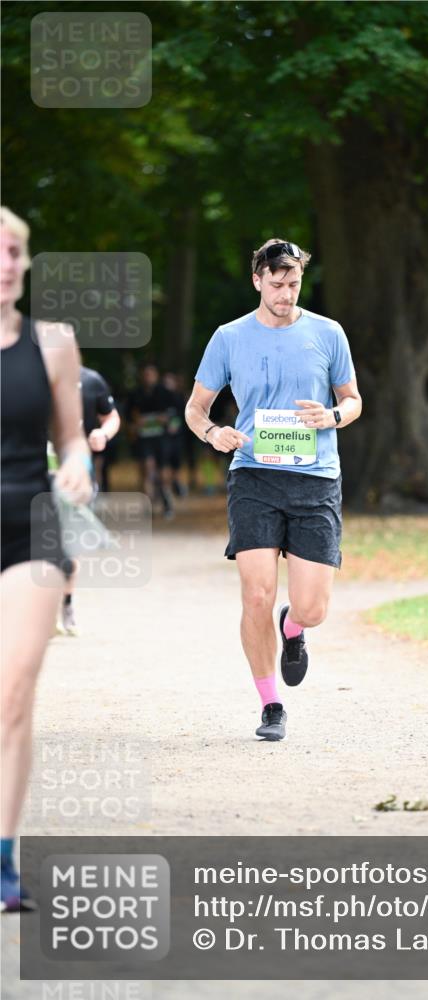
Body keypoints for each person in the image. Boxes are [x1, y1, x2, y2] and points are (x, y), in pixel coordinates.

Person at [185, 238, 362, 741]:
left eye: (294, 284)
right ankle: (271, 705)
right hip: (254, 476)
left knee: (313, 608)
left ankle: (294, 627)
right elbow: (195, 408)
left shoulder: (328, 334)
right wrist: (213, 432)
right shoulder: (229, 337)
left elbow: (352, 401)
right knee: (256, 594)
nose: (287, 294)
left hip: (316, 479)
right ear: (258, 280)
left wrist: (332, 415)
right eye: (278, 284)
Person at [1, 206, 91, 911]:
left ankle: (2, 862)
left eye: (12, 251)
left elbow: (75, 437)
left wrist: (80, 466)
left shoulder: (54, 343)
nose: (3, 263)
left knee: (14, 691)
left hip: (29, 526)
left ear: (25, 264)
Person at [57, 365, 121, 635]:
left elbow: (112, 417)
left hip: (77, 468)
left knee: (70, 540)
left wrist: (103, 434)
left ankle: (66, 605)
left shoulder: (91, 380)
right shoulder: (27, 376)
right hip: (33, 468)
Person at [127, 363, 174, 519]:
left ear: (156, 376)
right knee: (147, 469)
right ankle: (149, 505)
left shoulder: (165, 393)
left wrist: (167, 420)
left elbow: (176, 414)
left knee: (162, 473)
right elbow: (127, 416)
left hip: (161, 438)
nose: (148, 377)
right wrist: (134, 424)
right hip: (144, 439)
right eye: (146, 374)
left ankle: (166, 500)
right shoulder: (135, 394)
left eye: (151, 374)